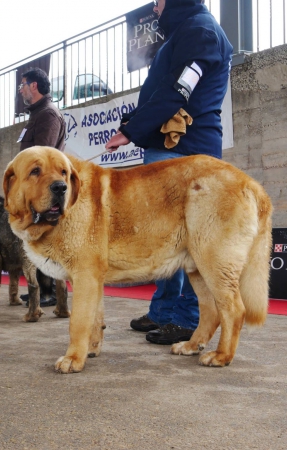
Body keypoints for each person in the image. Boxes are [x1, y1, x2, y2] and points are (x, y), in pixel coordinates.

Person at [105, 0, 233, 345]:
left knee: (191, 240)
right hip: (169, 147)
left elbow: (179, 92)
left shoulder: (201, 31)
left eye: (160, 1)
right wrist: (135, 122)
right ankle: (163, 311)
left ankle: (189, 318)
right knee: (164, 236)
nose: (156, 8)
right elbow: (163, 89)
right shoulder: (185, 31)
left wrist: (129, 133)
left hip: (187, 150)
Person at [17, 67, 66, 306]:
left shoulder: (47, 114)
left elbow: (43, 159)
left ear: (33, 86)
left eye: (22, 84)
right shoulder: (37, 114)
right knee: (38, 238)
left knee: (48, 238)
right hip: (35, 190)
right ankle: (43, 289)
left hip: (46, 191)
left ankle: (53, 293)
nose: (21, 89)